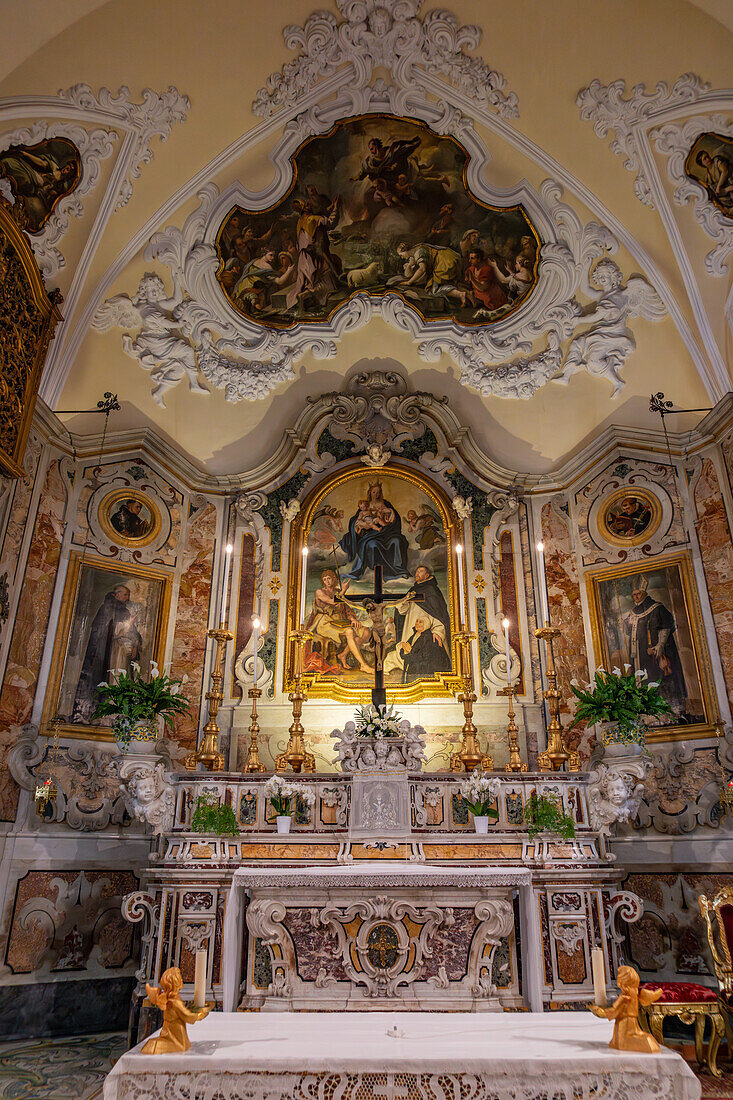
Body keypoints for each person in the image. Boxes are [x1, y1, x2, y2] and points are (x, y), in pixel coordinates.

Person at [72, 584, 142, 722]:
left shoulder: (126, 611)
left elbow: (133, 631)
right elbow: (107, 631)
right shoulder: (107, 608)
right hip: (112, 653)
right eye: (125, 594)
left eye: (128, 595)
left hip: (123, 652)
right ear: (117, 595)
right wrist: (126, 625)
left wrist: (134, 644)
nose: (128, 598)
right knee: (112, 677)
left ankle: (120, 710)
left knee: (123, 678)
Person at [622, 575, 687, 720]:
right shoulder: (633, 612)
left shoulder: (657, 608)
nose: (636, 597)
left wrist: (660, 645)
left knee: (655, 677)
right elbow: (627, 630)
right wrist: (624, 623)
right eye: (634, 594)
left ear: (644, 593)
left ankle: (666, 713)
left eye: (638, 594)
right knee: (640, 679)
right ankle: (645, 711)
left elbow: (667, 626)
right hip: (638, 654)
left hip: (653, 652)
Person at [384, 565, 451, 681]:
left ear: (427, 575)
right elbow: (403, 611)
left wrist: (437, 631)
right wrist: (403, 602)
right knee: (406, 649)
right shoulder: (412, 591)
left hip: (426, 632)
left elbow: (438, 615)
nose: (417, 573)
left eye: (420, 571)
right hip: (411, 627)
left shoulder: (432, 591)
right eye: (416, 571)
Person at [339, 481, 409, 582]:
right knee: (372, 545)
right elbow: (356, 520)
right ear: (369, 492)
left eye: (378, 492)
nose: (376, 494)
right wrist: (360, 525)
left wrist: (390, 512)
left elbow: (395, 520)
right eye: (374, 492)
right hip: (371, 535)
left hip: (387, 533)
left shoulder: (386, 504)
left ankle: (399, 570)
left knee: (397, 541)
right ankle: (375, 571)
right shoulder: (366, 505)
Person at [306, 569, 371, 674]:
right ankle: (363, 665)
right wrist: (343, 591)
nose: (327, 581)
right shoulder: (320, 592)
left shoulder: (337, 591)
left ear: (334, 579)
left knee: (366, 631)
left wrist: (353, 619)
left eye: (329, 578)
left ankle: (343, 655)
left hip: (340, 621)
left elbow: (346, 608)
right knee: (349, 631)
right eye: (325, 579)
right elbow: (333, 602)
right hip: (324, 622)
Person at [694, 148, 733, 215]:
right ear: (702, 164)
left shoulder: (716, 161)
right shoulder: (708, 176)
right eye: (705, 159)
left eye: (707, 156)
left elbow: (725, 171)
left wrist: (719, 187)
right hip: (726, 187)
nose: (708, 159)